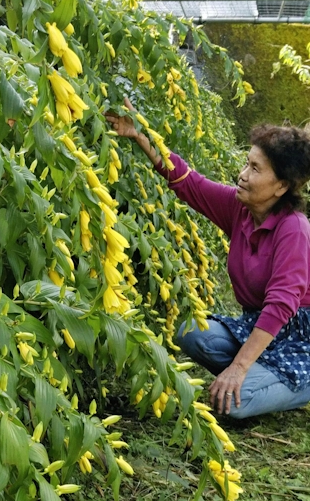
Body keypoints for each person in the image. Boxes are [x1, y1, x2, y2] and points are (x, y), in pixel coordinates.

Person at [106, 98, 310, 418]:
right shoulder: (239, 208)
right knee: (189, 331)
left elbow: (282, 305)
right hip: (260, 327)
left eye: (255, 169)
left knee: (232, 404)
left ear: (281, 186)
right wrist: (140, 135)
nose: (242, 175)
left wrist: (238, 368)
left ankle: (284, 384)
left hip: (301, 340)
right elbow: (189, 183)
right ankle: (262, 378)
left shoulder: (294, 230)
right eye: (246, 163)